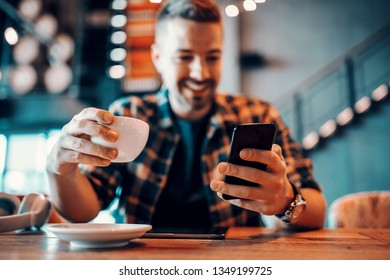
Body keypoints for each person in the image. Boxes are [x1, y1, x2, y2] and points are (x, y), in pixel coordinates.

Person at [46, 0, 326, 229]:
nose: (200, 72)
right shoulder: (127, 114)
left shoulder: (257, 113)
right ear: (158, 58)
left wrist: (286, 199)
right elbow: (83, 211)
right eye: (184, 56)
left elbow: (317, 209)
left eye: (212, 57)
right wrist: (58, 169)